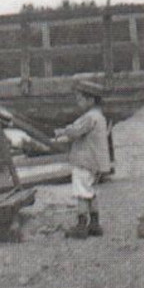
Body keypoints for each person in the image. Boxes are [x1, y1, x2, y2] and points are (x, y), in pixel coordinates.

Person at [52, 80, 110, 238]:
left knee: (81, 193)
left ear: (90, 100)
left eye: (80, 99)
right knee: (91, 192)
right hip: (96, 163)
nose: (78, 103)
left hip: (85, 162)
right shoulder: (100, 116)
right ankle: (95, 224)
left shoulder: (89, 117)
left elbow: (76, 131)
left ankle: (81, 226)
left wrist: (62, 132)